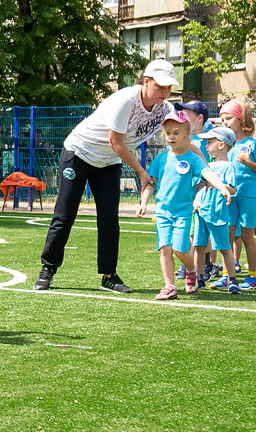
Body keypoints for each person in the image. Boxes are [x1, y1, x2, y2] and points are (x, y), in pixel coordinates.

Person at [35, 59, 179, 293]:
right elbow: (116, 142)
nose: (165, 92)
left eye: (169, 87)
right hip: (79, 152)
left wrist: (206, 167)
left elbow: (182, 137)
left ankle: (109, 275)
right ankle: (47, 269)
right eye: (160, 86)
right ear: (146, 81)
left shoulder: (166, 110)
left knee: (109, 218)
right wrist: (142, 172)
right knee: (65, 214)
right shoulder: (125, 101)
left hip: (108, 161)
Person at [136, 112, 233, 300]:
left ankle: (191, 271)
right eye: (168, 133)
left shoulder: (193, 158)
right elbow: (150, 183)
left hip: (183, 212)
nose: (171, 137)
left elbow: (208, 173)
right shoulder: (161, 158)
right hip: (162, 211)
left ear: (187, 134)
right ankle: (169, 286)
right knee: (165, 248)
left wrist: (222, 187)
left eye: (176, 133)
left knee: (180, 249)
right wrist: (144, 202)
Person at [217, 100, 256, 290]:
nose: (225, 123)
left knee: (247, 235)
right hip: (230, 196)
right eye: (222, 119)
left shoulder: (252, 144)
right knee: (227, 235)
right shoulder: (226, 145)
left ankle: (254, 277)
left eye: (229, 118)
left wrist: (248, 163)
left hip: (248, 195)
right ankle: (227, 275)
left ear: (240, 119)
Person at [191, 127, 243, 294]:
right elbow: (199, 187)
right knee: (199, 246)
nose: (206, 146)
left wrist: (217, 185)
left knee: (224, 247)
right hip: (201, 213)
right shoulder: (207, 166)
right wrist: (197, 200)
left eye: (209, 142)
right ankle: (198, 278)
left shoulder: (229, 167)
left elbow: (233, 190)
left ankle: (232, 279)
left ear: (221, 145)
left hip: (218, 213)